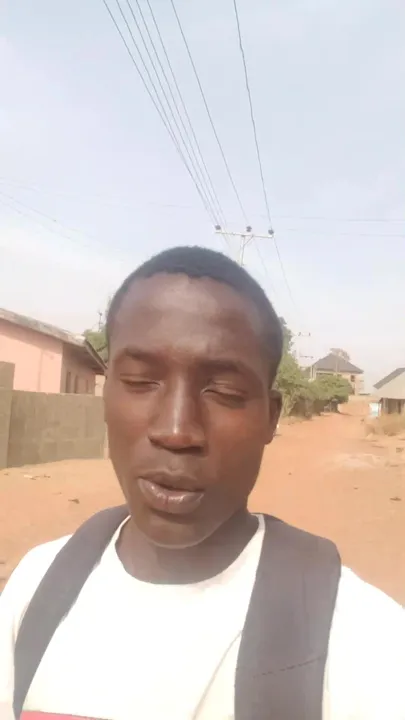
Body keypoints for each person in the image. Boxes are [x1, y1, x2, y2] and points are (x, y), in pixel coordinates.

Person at [0, 246, 404, 720]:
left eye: (225, 391)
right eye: (140, 381)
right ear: (106, 394)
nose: (176, 431)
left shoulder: (365, 643)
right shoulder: (35, 588)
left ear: (271, 417)